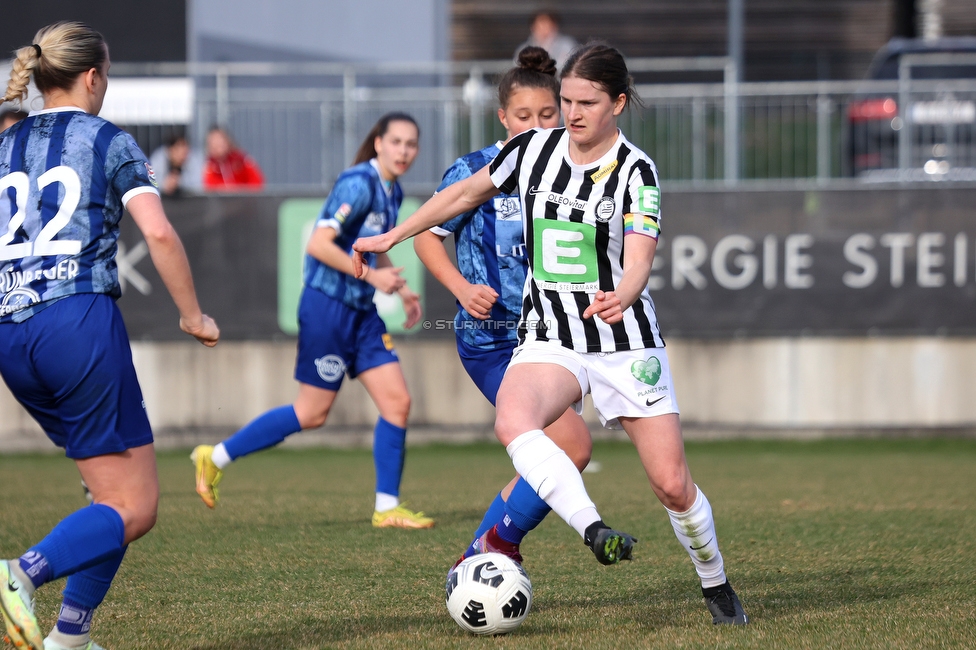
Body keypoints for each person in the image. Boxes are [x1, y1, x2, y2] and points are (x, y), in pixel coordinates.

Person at [354, 42, 749, 625]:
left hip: (623, 341)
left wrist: (630, 289)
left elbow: (640, 255)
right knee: (514, 420)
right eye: (565, 100)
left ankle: (715, 583)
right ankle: (592, 528)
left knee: (671, 485)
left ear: (618, 102)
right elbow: (461, 195)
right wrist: (393, 236)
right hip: (550, 338)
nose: (571, 113)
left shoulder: (637, 171)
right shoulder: (532, 151)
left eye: (586, 102)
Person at [0, 21, 220, 650]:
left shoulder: (5, 146)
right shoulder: (107, 139)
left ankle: (70, 638)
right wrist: (193, 316)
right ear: (92, 77)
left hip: (12, 335)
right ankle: (21, 574)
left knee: (108, 495)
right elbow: (158, 234)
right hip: (76, 325)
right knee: (136, 506)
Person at [192, 112, 435, 529]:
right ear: (378, 143)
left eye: (411, 144)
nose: (404, 151)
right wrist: (372, 274)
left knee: (398, 402)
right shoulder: (358, 183)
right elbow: (319, 243)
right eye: (396, 141)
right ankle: (213, 457)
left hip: (362, 313)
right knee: (312, 413)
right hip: (327, 308)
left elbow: (375, 242)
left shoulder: (392, 190)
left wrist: (400, 285)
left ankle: (386, 508)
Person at [413, 46, 593, 566]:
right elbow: (426, 236)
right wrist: (460, 289)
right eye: (523, 117)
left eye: (546, 115)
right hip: (491, 340)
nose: (536, 126)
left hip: (552, 337)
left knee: (550, 459)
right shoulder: (475, 170)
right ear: (502, 116)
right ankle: (487, 552)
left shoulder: (573, 170)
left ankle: (480, 556)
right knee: (571, 448)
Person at [201, 125, 264, 191]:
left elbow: (257, 183)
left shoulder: (242, 160)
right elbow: (211, 189)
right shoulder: (209, 167)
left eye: (220, 139)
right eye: (213, 141)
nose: (217, 143)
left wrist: (239, 191)